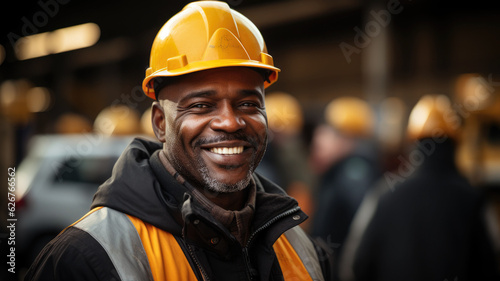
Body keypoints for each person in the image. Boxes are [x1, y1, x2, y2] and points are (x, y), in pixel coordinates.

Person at [25, 1, 332, 281]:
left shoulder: (298, 246)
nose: (230, 122)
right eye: (201, 105)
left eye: (249, 104)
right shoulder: (85, 259)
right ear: (160, 123)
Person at [346, 95, 500, 281]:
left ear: (413, 141)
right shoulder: (474, 200)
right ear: (456, 143)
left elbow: (357, 265)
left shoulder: (385, 194)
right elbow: (491, 265)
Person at [310, 97, 381, 280]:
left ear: (347, 138)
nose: (318, 145)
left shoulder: (354, 173)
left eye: (327, 135)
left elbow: (362, 229)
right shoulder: (340, 171)